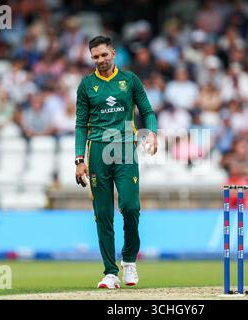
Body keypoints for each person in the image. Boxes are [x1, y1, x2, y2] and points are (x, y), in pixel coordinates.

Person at [74, 36, 158, 289]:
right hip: (97, 151)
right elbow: (80, 125)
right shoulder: (87, 85)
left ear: (113, 53)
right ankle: (110, 272)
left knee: (131, 207)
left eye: (104, 55)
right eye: (95, 57)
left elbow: (147, 111)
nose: (100, 61)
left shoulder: (129, 80)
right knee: (103, 214)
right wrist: (79, 160)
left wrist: (151, 132)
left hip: (123, 149)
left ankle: (129, 261)